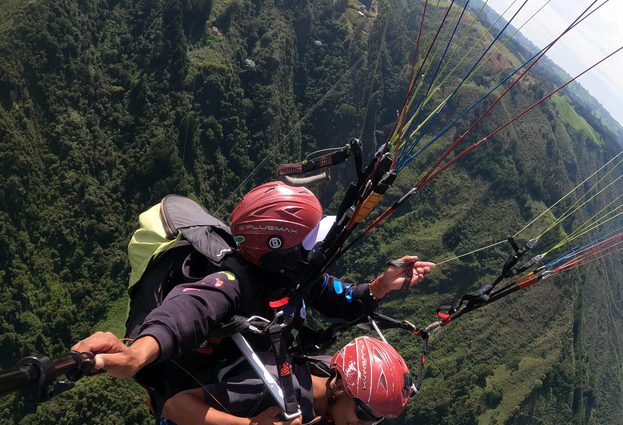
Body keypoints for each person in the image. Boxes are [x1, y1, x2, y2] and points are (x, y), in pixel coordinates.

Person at [73, 181, 433, 418]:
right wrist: (137, 354)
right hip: (196, 398)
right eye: (308, 245)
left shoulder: (292, 277)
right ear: (279, 252)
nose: (316, 253)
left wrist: (381, 287)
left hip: (248, 372)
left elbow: (341, 301)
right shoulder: (230, 283)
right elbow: (185, 314)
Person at [161, 336, 411, 425]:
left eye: (375, 420)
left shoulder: (326, 381)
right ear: (341, 386)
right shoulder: (272, 385)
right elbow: (173, 408)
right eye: (364, 415)